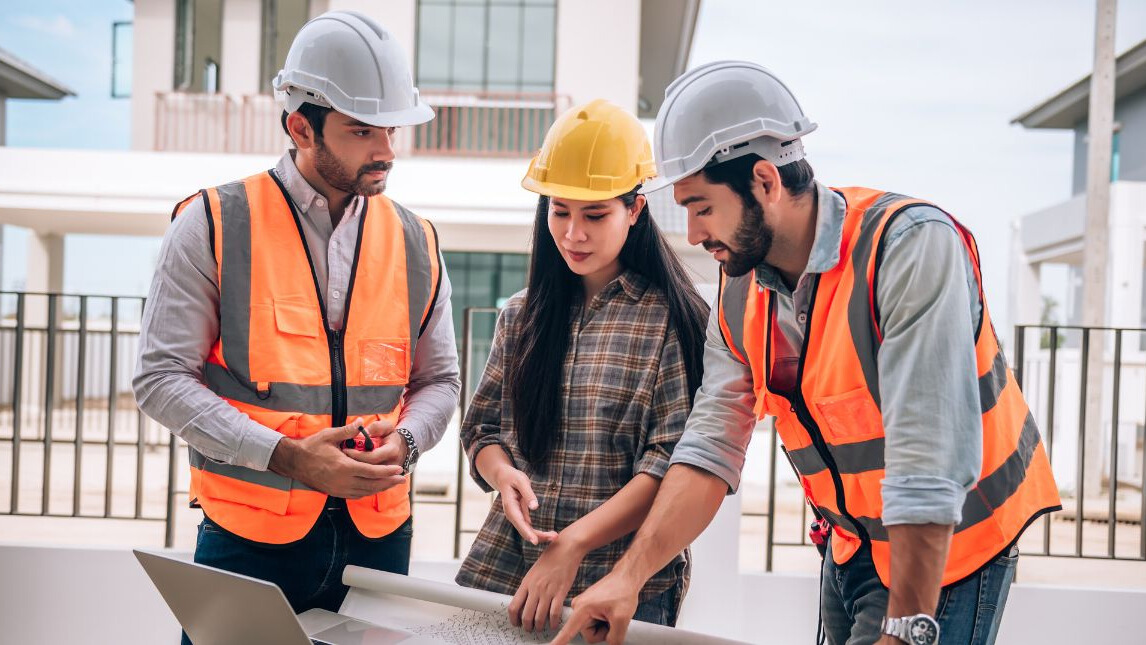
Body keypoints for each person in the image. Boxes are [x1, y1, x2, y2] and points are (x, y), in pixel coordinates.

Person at [554, 62, 1062, 645]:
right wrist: (629, 578)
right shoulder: (739, 284)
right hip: (851, 548)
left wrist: (906, 629)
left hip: (950, 548)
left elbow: (928, 457)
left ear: (765, 181)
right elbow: (710, 444)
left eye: (701, 207)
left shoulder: (908, 247)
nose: (692, 234)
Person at [132, 10, 460, 635]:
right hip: (249, 538)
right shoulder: (211, 223)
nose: (387, 150)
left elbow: (440, 380)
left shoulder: (416, 240)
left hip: (380, 539)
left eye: (391, 128)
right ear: (301, 126)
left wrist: (408, 442)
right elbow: (160, 378)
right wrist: (286, 457)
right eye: (363, 130)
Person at [454, 99, 709, 633]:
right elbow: (482, 429)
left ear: (635, 210)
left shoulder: (672, 322)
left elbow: (668, 465)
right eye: (559, 211)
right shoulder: (521, 315)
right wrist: (504, 477)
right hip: (511, 572)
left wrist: (573, 543)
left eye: (595, 215)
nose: (573, 235)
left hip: (619, 585)